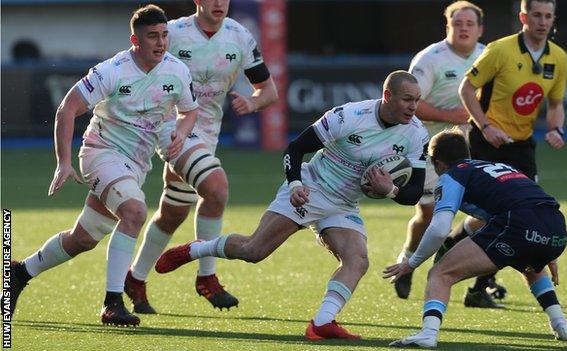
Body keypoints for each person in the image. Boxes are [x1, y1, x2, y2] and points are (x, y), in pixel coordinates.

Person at [155, 70, 429, 339]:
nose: (413, 107)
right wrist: (296, 185)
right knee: (253, 251)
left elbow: (414, 192)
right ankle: (196, 249)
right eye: (407, 99)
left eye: (417, 100)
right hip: (311, 188)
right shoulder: (350, 115)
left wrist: (390, 189)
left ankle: (322, 323)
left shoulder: (416, 134)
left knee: (357, 260)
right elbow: (295, 149)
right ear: (387, 95)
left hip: (343, 204)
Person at [9, 4, 199, 326]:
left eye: (164, 35)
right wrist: (63, 163)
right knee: (135, 211)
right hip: (101, 153)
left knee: (84, 238)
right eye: (152, 36)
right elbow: (67, 109)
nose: (160, 42)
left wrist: (181, 131)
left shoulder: (177, 70)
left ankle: (19, 272)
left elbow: (189, 110)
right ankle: (112, 303)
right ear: (134, 40)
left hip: (135, 164)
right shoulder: (112, 70)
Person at [124, 0, 278, 314]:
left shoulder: (240, 36)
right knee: (217, 188)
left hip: (207, 134)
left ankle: (135, 278)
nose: (219, 3)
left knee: (173, 212)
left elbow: (269, 91)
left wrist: (253, 103)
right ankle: (207, 276)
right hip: (170, 125)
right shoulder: (174, 33)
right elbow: (137, 66)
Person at [383, 130, 567, 348]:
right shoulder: (500, 168)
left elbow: (438, 229)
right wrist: (547, 251)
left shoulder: (452, 175)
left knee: (439, 273)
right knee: (530, 263)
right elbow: (529, 205)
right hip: (557, 227)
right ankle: (561, 324)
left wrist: (411, 263)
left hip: (520, 223)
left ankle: (428, 334)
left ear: (438, 163)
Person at [435, 0, 567, 308]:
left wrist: (556, 130)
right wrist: (484, 126)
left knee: (521, 214)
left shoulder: (558, 57)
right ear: (523, 16)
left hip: (522, 146)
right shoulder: (500, 50)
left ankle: (469, 274)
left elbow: (556, 104)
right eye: (536, 15)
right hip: (487, 142)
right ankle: (469, 272)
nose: (542, 21)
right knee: (496, 217)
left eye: (548, 16)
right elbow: (466, 89)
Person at [393, 1, 508, 308]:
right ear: (448, 27)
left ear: (480, 29)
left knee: (487, 213)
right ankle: (407, 258)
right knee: (429, 213)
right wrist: (450, 115)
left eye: (470, 23)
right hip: (431, 147)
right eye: (458, 23)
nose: (464, 28)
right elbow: (412, 101)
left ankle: (473, 275)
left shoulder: (489, 55)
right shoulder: (430, 59)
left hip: (474, 148)